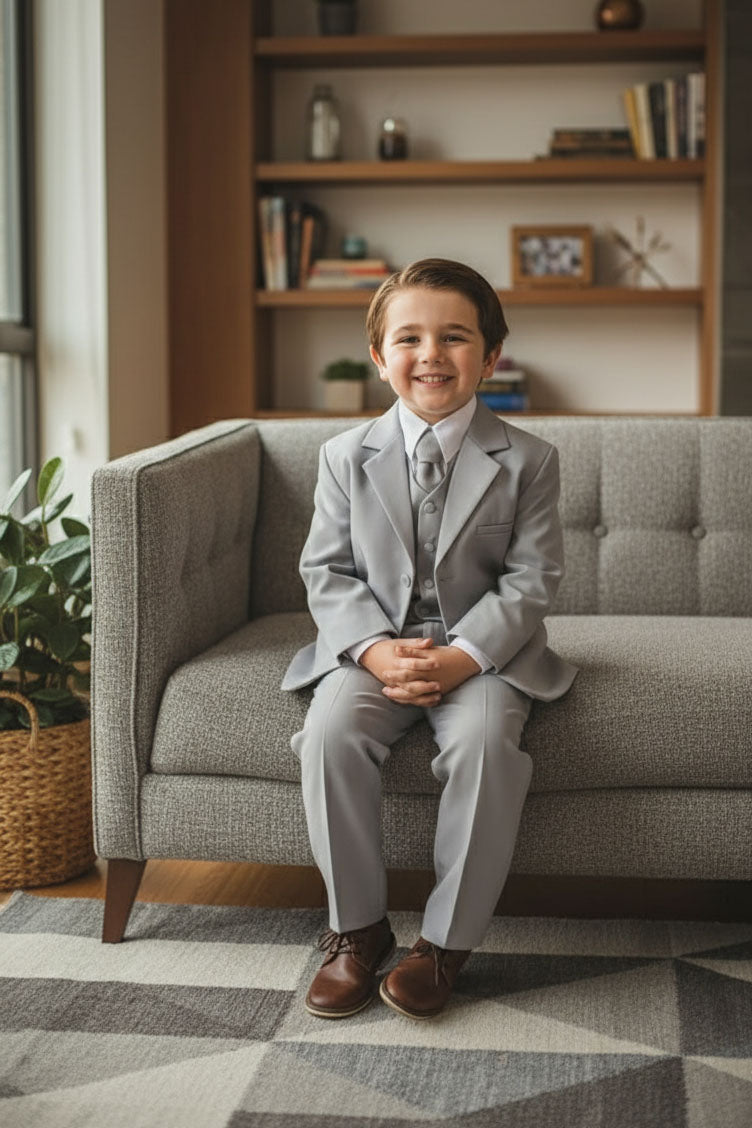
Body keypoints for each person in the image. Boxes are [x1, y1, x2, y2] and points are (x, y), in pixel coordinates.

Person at [281, 257, 578, 1020]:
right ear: (381, 357)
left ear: (490, 355)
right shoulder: (343, 457)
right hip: (374, 646)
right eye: (409, 338)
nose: (431, 355)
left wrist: (460, 657)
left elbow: (532, 579)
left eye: (454, 337)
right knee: (327, 735)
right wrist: (377, 651)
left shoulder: (530, 460)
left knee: (484, 746)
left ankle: (444, 945)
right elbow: (327, 570)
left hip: (483, 655)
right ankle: (357, 930)